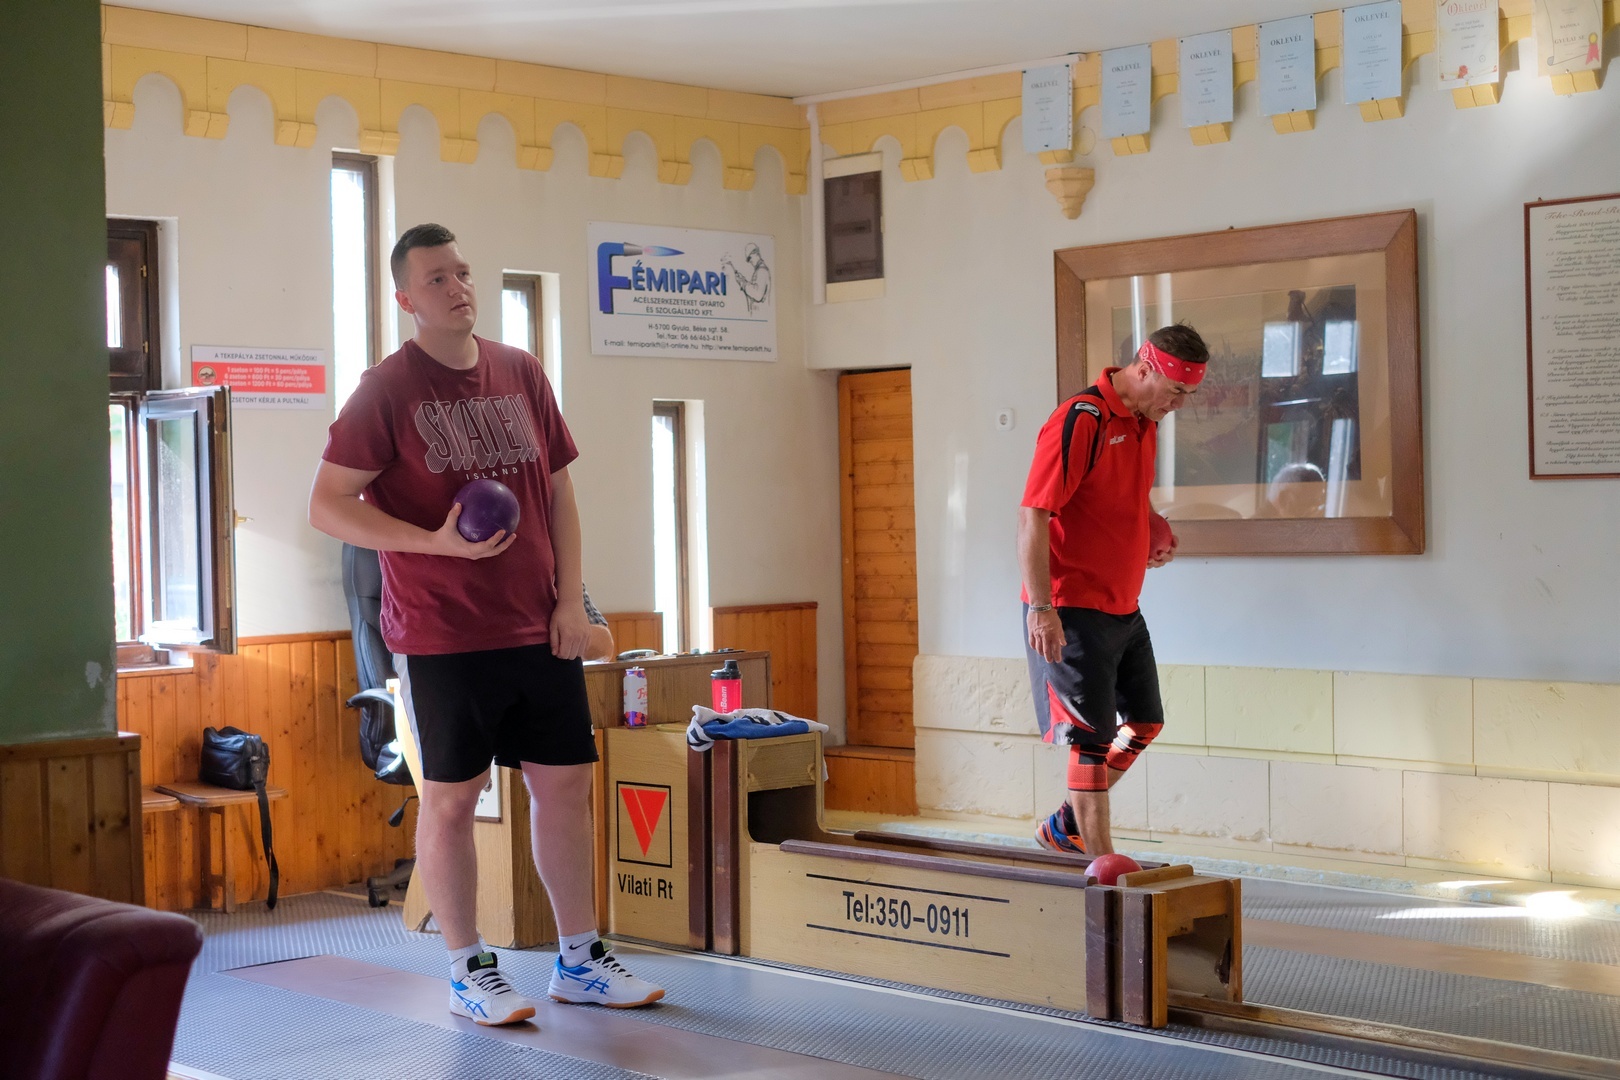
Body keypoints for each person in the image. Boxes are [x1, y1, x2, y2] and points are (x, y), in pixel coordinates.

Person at [309, 223, 663, 1027]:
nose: (457, 287)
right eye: (436, 278)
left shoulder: (521, 371)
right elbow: (327, 504)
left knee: (564, 787)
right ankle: (469, 970)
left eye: (463, 272)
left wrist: (570, 602)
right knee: (452, 801)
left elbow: (559, 494)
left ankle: (581, 960)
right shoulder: (386, 390)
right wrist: (431, 543)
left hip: (538, 625)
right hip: (444, 634)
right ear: (406, 299)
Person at [1016, 324, 1210, 858]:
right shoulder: (1082, 419)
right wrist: (1041, 608)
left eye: (1189, 394)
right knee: (1089, 740)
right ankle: (1104, 871)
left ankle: (1065, 827)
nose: (1180, 405)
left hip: (1122, 604)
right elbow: (1033, 516)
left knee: (1145, 721)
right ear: (1144, 369)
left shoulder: (1144, 421)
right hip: (1070, 607)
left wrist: (1151, 528)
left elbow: (1124, 497)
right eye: (1177, 391)